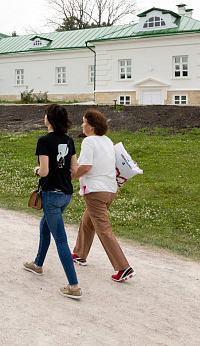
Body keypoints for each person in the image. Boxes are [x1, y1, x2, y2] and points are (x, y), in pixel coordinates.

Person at [23, 104, 82, 299]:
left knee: (61, 240)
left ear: (49, 119)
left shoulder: (44, 141)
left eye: (45, 114)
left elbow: (45, 171)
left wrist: (36, 171)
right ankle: (38, 265)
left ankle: (74, 286)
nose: (44, 117)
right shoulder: (69, 140)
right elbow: (74, 169)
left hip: (51, 195)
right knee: (44, 226)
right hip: (66, 194)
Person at [72, 109, 135, 283]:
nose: (82, 125)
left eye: (84, 122)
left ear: (91, 126)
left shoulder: (89, 142)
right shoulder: (107, 141)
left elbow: (85, 167)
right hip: (110, 190)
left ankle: (123, 267)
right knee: (88, 220)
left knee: (103, 229)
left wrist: (67, 177)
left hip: (95, 192)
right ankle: (79, 254)